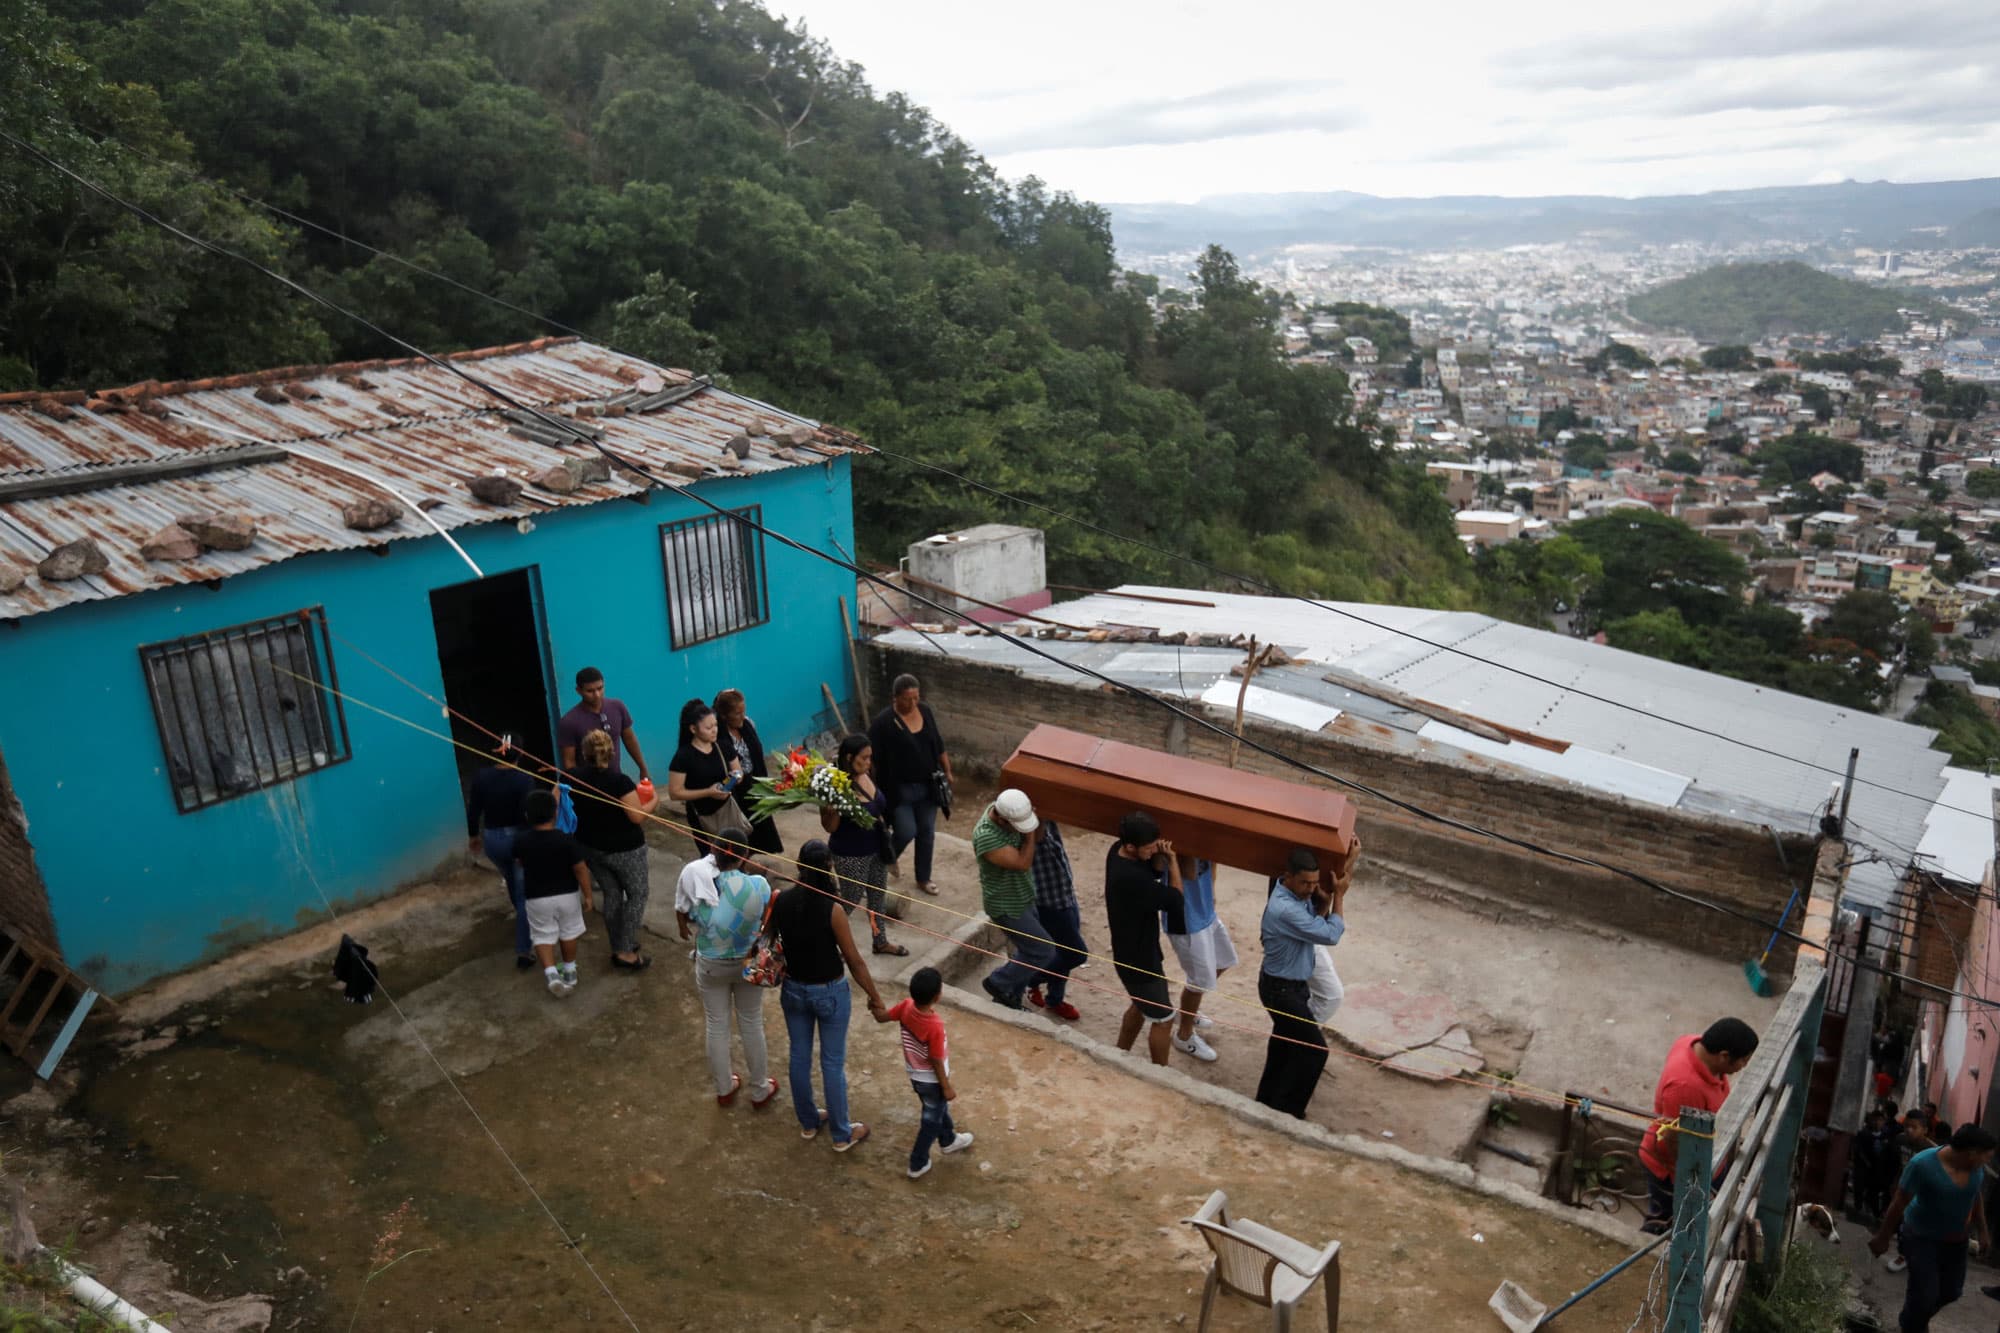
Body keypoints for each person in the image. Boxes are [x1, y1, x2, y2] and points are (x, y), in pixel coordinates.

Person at [769, 840, 887, 1151]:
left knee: (799, 1056)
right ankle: (841, 1133)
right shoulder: (832, 909)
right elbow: (854, 959)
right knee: (832, 1063)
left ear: (798, 866)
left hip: (794, 988)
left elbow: (771, 938)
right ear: (829, 868)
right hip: (829, 992)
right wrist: (875, 996)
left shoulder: (780, 900)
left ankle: (808, 1122)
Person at [1636, 1017, 1761, 1235]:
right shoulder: (1686, 1086)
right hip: (1675, 1170)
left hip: (1709, 1159)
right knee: (1667, 1223)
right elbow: (1678, 1144)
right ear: (1723, 1056)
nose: (1744, 1066)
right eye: (1743, 1060)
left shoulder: (1691, 1043)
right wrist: (1697, 1184)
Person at [1869, 1124, 1997, 1331]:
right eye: (1986, 1156)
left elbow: (1975, 1196)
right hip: (1921, 1237)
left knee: (1951, 1292)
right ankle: (1913, 1325)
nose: (1987, 1161)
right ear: (1972, 1153)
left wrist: (1983, 1230)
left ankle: (1912, 1319)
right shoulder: (1922, 1164)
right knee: (1924, 1295)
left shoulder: (1976, 1168)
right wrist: (1883, 1237)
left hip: (1956, 1241)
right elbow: (1899, 1202)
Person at [685, 830, 779, 1109]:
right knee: (751, 1022)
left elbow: (692, 917)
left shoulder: (702, 886)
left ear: (713, 854)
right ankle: (760, 1089)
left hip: (712, 963)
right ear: (744, 856)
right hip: (748, 962)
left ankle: (724, 1088)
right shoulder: (759, 885)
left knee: (717, 1024)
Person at [1254, 849, 1349, 1117]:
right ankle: (1289, 1112)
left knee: (1284, 1043)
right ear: (1288, 877)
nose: (1310, 888)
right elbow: (1330, 935)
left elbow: (1314, 920)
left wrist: (1322, 901)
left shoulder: (1296, 896)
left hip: (1290, 987)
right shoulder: (1284, 908)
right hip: (1280, 990)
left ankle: (1266, 1101)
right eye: (1305, 883)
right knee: (1315, 1051)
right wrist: (1338, 896)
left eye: (1314, 882)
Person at [872, 966, 976, 1179]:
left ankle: (948, 1140)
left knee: (937, 1109)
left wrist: (874, 1007)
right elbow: (936, 1060)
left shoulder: (906, 1006)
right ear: (938, 996)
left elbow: (883, 1017)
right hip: (932, 1081)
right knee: (931, 1120)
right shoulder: (934, 1025)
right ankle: (917, 1162)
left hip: (916, 1076)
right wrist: (946, 1086)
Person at [569, 728, 659, 970]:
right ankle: (625, 951)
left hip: (591, 848)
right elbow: (636, 817)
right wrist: (653, 801)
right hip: (625, 849)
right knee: (638, 895)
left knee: (612, 894)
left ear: (584, 753)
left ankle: (618, 943)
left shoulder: (572, 776)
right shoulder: (619, 782)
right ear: (612, 752)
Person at [1104, 812, 1185, 1067]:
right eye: (1149, 849)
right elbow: (1176, 899)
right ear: (1131, 847)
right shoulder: (1133, 880)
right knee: (1163, 1018)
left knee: (1140, 1006)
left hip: (1130, 953)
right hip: (1141, 961)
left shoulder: (1116, 850)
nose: (1153, 852)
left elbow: (1149, 867)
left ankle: (1119, 1054)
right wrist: (1172, 861)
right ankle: (1161, 1074)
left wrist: (1155, 856)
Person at [972, 789, 1063, 1009]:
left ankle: (1009, 998)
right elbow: (1023, 862)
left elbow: (1037, 838)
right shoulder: (987, 836)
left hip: (1023, 896)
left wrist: (1033, 823)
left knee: (1027, 951)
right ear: (1002, 820)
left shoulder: (1007, 809)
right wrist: (1029, 833)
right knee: (1043, 950)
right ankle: (997, 982)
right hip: (1007, 905)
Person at [869, 674, 954, 896]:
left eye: (916, 698)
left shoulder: (925, 711)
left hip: (928, 786)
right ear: (895, 698)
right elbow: (873, 761)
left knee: (926, 833)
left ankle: (923, 878)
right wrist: (872, 791)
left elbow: (938, 742)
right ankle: (883, 862)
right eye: (908, 699)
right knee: (906, 831)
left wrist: (948, 770)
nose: (913, 703)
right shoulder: (882, 723)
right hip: (899, 791)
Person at [820, 734, 905, 956]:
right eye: (864, 758)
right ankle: (826, 940)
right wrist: (831, 811)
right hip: (850, 854)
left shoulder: (868, 775)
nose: (869, 763)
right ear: (850, 758)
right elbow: (830, 827)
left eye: (870, 758)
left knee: (877, 898)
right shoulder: (836, 786)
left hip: (876, 849)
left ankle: (880, 941)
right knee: (850, 899)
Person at [464, 733, 538, 969]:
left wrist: (474, 835)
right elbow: (527, 817)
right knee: (523, 893)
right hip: (516, 838)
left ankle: (525, 924)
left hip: (492, 839)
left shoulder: (481, 777)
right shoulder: (524, 780)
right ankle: (525, 949)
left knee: (511, 881)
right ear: (521, 754)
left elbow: (473, 809)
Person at [512, 788, 593, 998]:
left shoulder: (521, 841)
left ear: (527, 816)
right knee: (569, 932)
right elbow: (580, 868)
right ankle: (570, 971)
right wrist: (588, 895)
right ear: (555, 813)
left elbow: (519, 862)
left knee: (542, 935)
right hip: (567, 895)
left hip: (537, 897)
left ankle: (551, 974)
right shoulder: (566, 840)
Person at [1165, 851, 1232, 1063]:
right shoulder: (1187, 839)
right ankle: (1184, 1036)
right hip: (1186, 920)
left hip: (1205, 912)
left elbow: (1213, 862)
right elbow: (1190, 873)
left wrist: (1212, 885)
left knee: (1224, 961)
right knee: (1199, 980)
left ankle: (1187, 1011)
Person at [1025, 820, 1086, 1021]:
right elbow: (1039, 835)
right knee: (1076, 954)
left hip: (1065, 894)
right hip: (1049, 901)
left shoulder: (1048, 817)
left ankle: (1055, 999)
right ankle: (1028, 978)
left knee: (1064, 952)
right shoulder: (1029, 821)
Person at [668, 699, 745, 857]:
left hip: (729, 811)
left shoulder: (723, 746)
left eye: (715, 725)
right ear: (693, 729)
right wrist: (708, 792)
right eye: (708, 727)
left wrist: (735, 778)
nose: (714, 730)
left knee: (737, 856)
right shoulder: (683, 757)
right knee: (713, 859)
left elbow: (738, 771)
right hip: (702, 817)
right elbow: (675, 793)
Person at [712, 688, 782, 857]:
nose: (742, 716)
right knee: (745, 833)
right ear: (724, 715)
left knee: (763, 830)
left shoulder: (748, 725)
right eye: (737, 713)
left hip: (756, 786)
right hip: (738, 791)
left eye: (743, 711)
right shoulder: (720, 737)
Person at [557, 667, 647, 778]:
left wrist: (643, 768)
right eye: (590, 691)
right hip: (590, 787)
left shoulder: (617, 707)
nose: (597, 695)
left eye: (600, 688)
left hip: (616, 780)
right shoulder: (569, 722)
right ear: (578, 691)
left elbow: (630, 739)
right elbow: (569, 762)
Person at [1853, 1108, 1901, 1223]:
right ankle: (1858, 1209)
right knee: (1860, 1187)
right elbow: (1858, 1150)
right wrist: (1866, 1162)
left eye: (1880, 1120)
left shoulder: (1887, 1135)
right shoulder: (1863, 1134)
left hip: (1879, 1170)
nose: (1877, 1123)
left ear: (1884, 1121)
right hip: (1865, 1167)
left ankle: (1876, 1213)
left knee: (1876, 1191)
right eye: (1874, 1120)